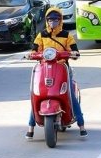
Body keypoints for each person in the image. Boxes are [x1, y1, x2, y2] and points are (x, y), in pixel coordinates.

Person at [25, 7, 87, 139]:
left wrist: (73, 54)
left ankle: (81, 125)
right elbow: (35, 49)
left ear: (60, 20)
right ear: (47, 20)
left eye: (56, 19)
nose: (53, 22)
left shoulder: (67, 35)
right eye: (50, 19)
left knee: (71, 96)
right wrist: (30, 55)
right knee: (36, 95)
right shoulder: (41, 35)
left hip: (62, 68)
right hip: (44, 69)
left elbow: (75, 51)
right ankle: (31, 126)